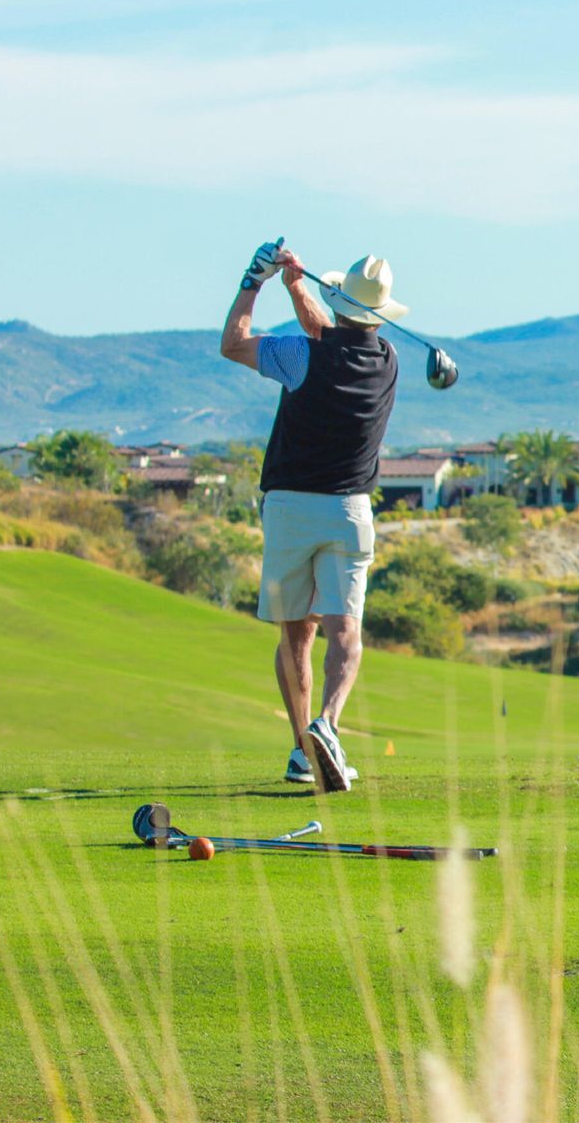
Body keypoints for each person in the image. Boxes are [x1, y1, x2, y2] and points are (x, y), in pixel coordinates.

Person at [219, 239, 407, 792]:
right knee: (345, 629)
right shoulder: (387, 361)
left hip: (290, 508)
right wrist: (298, 285)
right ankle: (329, 724)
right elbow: (328, 333)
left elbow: (234, 344)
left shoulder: (300, 356)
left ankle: (305, 747)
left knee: (295, 635)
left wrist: (257, 279)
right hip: (350, 511)